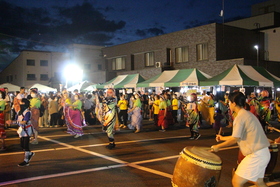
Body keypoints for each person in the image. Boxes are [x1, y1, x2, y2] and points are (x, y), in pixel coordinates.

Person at [211, 92, 270, 187]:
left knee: (237, 182)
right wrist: (222, 138)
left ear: (234, 103)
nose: (229, 105)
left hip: (256, 155)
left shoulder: (240, 117)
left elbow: (235, 139)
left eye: (229, 102)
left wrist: (218, 147)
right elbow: (237, 136)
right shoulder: (247, 114)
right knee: (259, 182)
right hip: (262, 153)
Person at [16, 98, 35, 167]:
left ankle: (26, 161)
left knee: (26, 146)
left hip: (27, 130)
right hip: (21, 130)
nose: (20, 104)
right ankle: (29, 154)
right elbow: (17, 119)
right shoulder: (19, 111)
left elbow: (24, 121)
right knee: (22, 146)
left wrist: (14, 122)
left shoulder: (27, 112)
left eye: (21, 103)